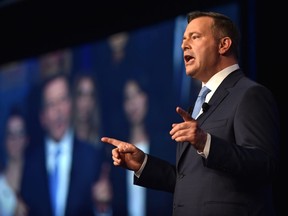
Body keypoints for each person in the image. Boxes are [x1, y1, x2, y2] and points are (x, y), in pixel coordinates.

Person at [101, 11, 280, 216]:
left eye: (195, 37)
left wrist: (206, 143)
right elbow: (190, 180)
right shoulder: (200, 101)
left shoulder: (249, 94)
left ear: (223, 45)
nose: (183, 45)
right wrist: (143, 164)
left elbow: (265, 166)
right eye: (184, 39)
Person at [20, 73, 111, 216]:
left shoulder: (91, 157)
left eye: (62, 100)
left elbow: (101, 209)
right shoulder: (31, 164)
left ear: (70, 105)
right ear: (42, 117)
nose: (58, 110)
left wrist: (103, 207)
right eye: (51, 104)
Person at [109, 77, 174, 216]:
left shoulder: (164, 145)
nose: (132, 103)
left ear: (147, 97)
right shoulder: (116, 150)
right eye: (127, 98)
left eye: (137, 94)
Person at [0, 106, 29, 216]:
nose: (15, 140)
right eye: (11, 134)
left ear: (26, 139)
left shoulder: (37, 177)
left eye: (19, 133)